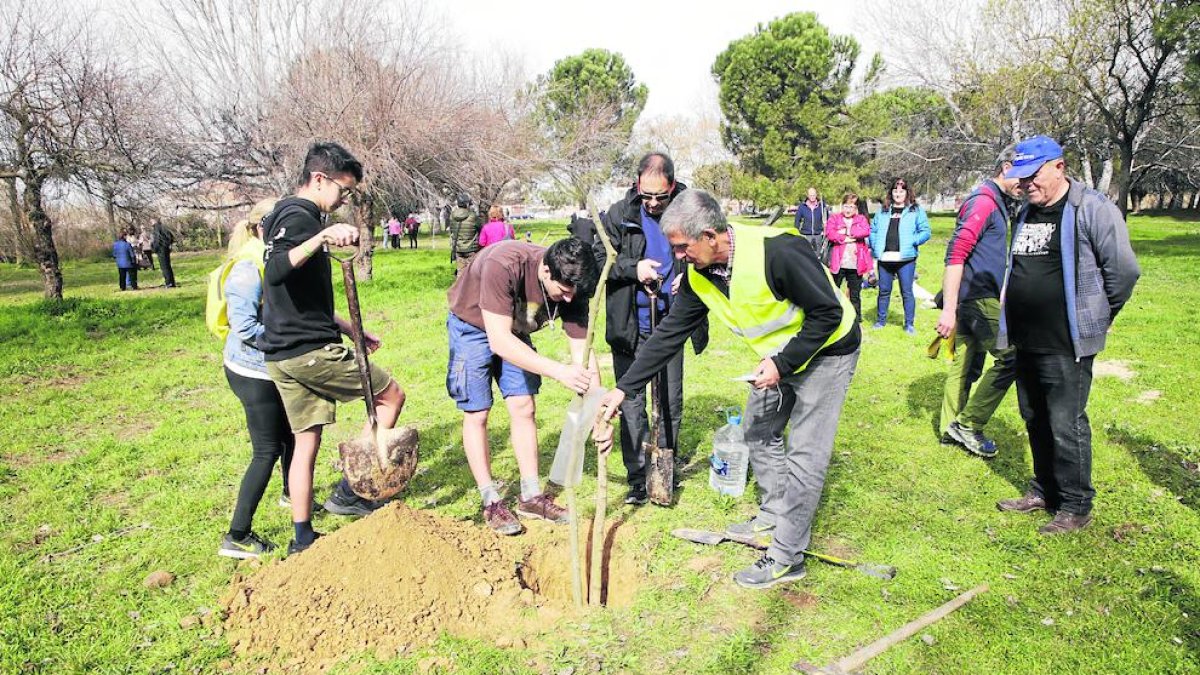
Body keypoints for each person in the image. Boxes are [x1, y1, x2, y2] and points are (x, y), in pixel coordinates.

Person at [596, 189, 860, 589]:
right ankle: (774, 513)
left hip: (827, 352)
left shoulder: (780, 252)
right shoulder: (701, 275)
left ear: (711, 235)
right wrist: (624, 389)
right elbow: (669, 335)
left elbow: (828, 313)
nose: (679, 257)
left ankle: (787, 558)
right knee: (758, 430)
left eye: (683, 247)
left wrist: (782, 364)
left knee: (807, 455)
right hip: (778, 357)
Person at [260, 142, 408, 556]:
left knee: (306, 443)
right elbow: (274, 273)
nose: (345, 199)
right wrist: (323, 235)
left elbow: (295, 296)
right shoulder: (299, 215)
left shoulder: (283, 213)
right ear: (319, 179)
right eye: (343, 189)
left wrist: (346, 327)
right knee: (391, 395)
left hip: (284, 353)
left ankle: (302, 537)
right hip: (308, 352)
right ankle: (352, 490)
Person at [994, 135, 1139, 534]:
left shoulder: (1093, 209)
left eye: (1033, 176)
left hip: (1065, 341)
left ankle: (1075, 505)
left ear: (1059, 167)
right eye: (1021, 179)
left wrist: (1102, 313)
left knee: (1065, 422)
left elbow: (1124, 272)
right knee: (1034, 416)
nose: (1026, 185)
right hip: (1026, 336)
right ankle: (1043, 490)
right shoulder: (1026, 212)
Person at [445, 237, 599, 535]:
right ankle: (491, 501)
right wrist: (558, 371)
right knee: (478, 412)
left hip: (514, 328)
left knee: (523, 405)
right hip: (473, 326)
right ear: (545, 272)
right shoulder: (504, 264)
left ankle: (530, 496)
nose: (568, 300)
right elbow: (499, 341)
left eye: (573, 294)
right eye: (563, 293)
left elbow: (584, 352)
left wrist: (599, 406)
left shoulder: (574, 284)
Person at [597, 152, 706, 505]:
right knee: (630, 401)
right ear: (636, 185)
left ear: (672, 185)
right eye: (648, 196)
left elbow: (710, 255)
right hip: (631, 325)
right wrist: (634, 268)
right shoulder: (619, 215)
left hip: (670, 325)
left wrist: (688, 280)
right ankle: (637, 476)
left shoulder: (691, 211)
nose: (654, 203)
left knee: (670, 399)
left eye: (661, 195)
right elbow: (599, 262)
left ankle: (665, 464)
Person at [216, 200, 302, 559]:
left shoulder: (269, 259)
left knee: (291, 433)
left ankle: (290, 492)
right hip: (251, 370)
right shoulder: (248, 269)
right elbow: (246, 326)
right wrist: (290, 337)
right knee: (266, 451)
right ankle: (237, 535)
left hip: (271, 365)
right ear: (261, 228)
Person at [935, 147, 1022, 458]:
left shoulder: (997, 202)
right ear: (1007, 167)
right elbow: (956, 254)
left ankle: (949, 429)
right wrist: (949, 308)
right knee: (1013, 356)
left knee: (966, 364)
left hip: (976, 296)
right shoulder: (984, 202)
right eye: (1022, 176)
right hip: (975, 298)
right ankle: (969, 425)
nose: (1025, 185)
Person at [868, 178, 931, 333]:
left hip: (906, 260)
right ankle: (880, 321)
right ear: (891, 193)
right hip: (885, 259)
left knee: (907, 292)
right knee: (883, 291)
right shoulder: (883, 210)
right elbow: (873, 231)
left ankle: (909, 324)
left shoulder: (915, 210)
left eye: (901, 191)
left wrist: (913, 241)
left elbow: (926, 231)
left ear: (907, 192)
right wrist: (875, 246)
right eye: (895, 191)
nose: (898, 194)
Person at [824, 193, 872, 321]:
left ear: (856, 208)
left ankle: (856, 319)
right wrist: (845, 238)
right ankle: (831, 316)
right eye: (845, 206)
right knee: (833, 292)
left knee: (855, 294)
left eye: (851, 206)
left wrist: (846, 231)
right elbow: (830, 233)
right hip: (838, 263)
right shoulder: (835, 218)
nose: (848, 209)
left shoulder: (861, 219)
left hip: (855, 264)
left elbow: (865, 231)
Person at [450, 193, 482, 274]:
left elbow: (451, 230)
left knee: (460, 273)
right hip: (471, 249)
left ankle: (460, 286)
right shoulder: (473, 216)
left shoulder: (452, 216)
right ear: (467, 203)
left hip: (458, 248)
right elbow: (480, 228)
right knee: (471, 274)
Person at [793, 187, 829, 257]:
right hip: (806, 235)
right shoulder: (802, 206)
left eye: (813, 195)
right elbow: (797, 221)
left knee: (818, 256)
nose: (812, 197)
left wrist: (825, 232)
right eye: (810, 195)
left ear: (816, 195)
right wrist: (797, 233)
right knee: (805, 255)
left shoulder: (821, 206)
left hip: (818, 235)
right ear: (807, 195)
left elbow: (827, 219)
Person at [152, 219, 177, 288]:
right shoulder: (164, 228)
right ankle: (171, 282)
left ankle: (169, 283)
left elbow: (157, 240)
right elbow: (171, 237)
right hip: (166, 249)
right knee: (168, 266)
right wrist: (168, 245)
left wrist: (154, 249)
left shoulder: (156, 228)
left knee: (164, 267)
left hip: (161, 250)